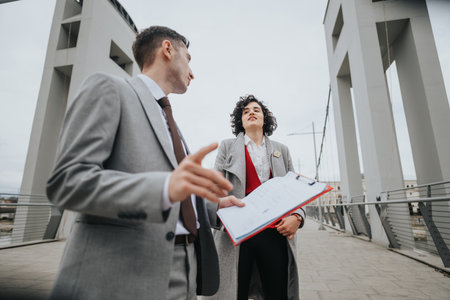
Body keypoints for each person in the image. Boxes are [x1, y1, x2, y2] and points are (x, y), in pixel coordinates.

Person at [46, 26, 243, 300]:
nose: (192, 71)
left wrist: (214, 205)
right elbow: (66, 182)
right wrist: (163, 188)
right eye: (188, 58)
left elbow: (176, 192)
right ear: (167, 49)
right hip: (120, 275)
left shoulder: (169, 120)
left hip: (187, 268)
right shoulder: (109, 88)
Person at [211, 95, 306, 300]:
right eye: (245, 111)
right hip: (237, 236)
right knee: (235, 292)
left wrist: (297, 217)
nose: (251, 112)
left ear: (265, 119)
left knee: (277, 292)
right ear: (240, 121)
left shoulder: (282, 150)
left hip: (275, 233)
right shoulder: (227, 147)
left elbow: (296, 191)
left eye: (256, 110)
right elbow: (215, 188)